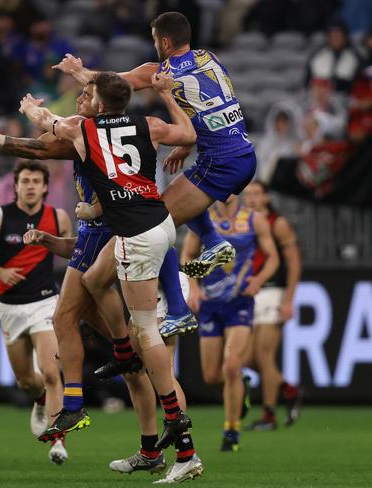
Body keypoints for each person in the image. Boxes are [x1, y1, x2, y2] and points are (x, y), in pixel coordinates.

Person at [19, 70, 197, 467]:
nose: (83, 97)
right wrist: (167, 94)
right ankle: (150, 433)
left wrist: (31, 107)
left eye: (88, 93)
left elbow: (48, 126)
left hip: (135, 235)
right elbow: (187, 134)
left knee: (146, 335)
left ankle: (178, 425)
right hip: (158, 223)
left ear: (99, 103)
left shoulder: (86, 130)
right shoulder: (148, 124)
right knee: (96, 280)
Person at [53, 11, 259, 288]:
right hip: (243, 152)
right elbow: (214, 107)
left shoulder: (159, 72)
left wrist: (78, 70)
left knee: (152, 224)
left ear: (164, 42)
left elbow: (111, 84)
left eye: (154, 40)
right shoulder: (210, 58)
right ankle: (212, 242)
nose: (154, 47)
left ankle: (176, 307)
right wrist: (188, 144)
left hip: (220, 161)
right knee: (173, 196)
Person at [0, 160, 73, 465]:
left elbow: (72, 253)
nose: (31, 186)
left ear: (46, 186)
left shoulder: (58, 218)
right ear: (16, 186)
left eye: (36, 181)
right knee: (25, 379)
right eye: (25, 181)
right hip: (10, 305)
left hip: (46, 301)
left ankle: (57, 438)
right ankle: (38, 400)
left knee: (51, 373)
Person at [182, 194, 279, 452]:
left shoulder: (254, 220)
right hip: (211, 304)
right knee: (212, 375)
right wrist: (193, 287)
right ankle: (242, 389)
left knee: (232, 365)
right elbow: (187, 255)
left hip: (240, 302)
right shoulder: (204, 217)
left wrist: (258, 280)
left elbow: (273, 257)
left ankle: (231, 430)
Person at [242, 180, 303, 430]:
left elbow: (294, 263)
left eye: (257, 194)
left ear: (266, 198)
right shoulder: (244, 222)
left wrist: (288, 299)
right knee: (245, 357)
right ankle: (289, 389)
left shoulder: (277, 223)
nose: (252, 199)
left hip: (272, 292)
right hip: (250, 294)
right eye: (248, 195)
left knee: (264, 356)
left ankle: (269, 414)